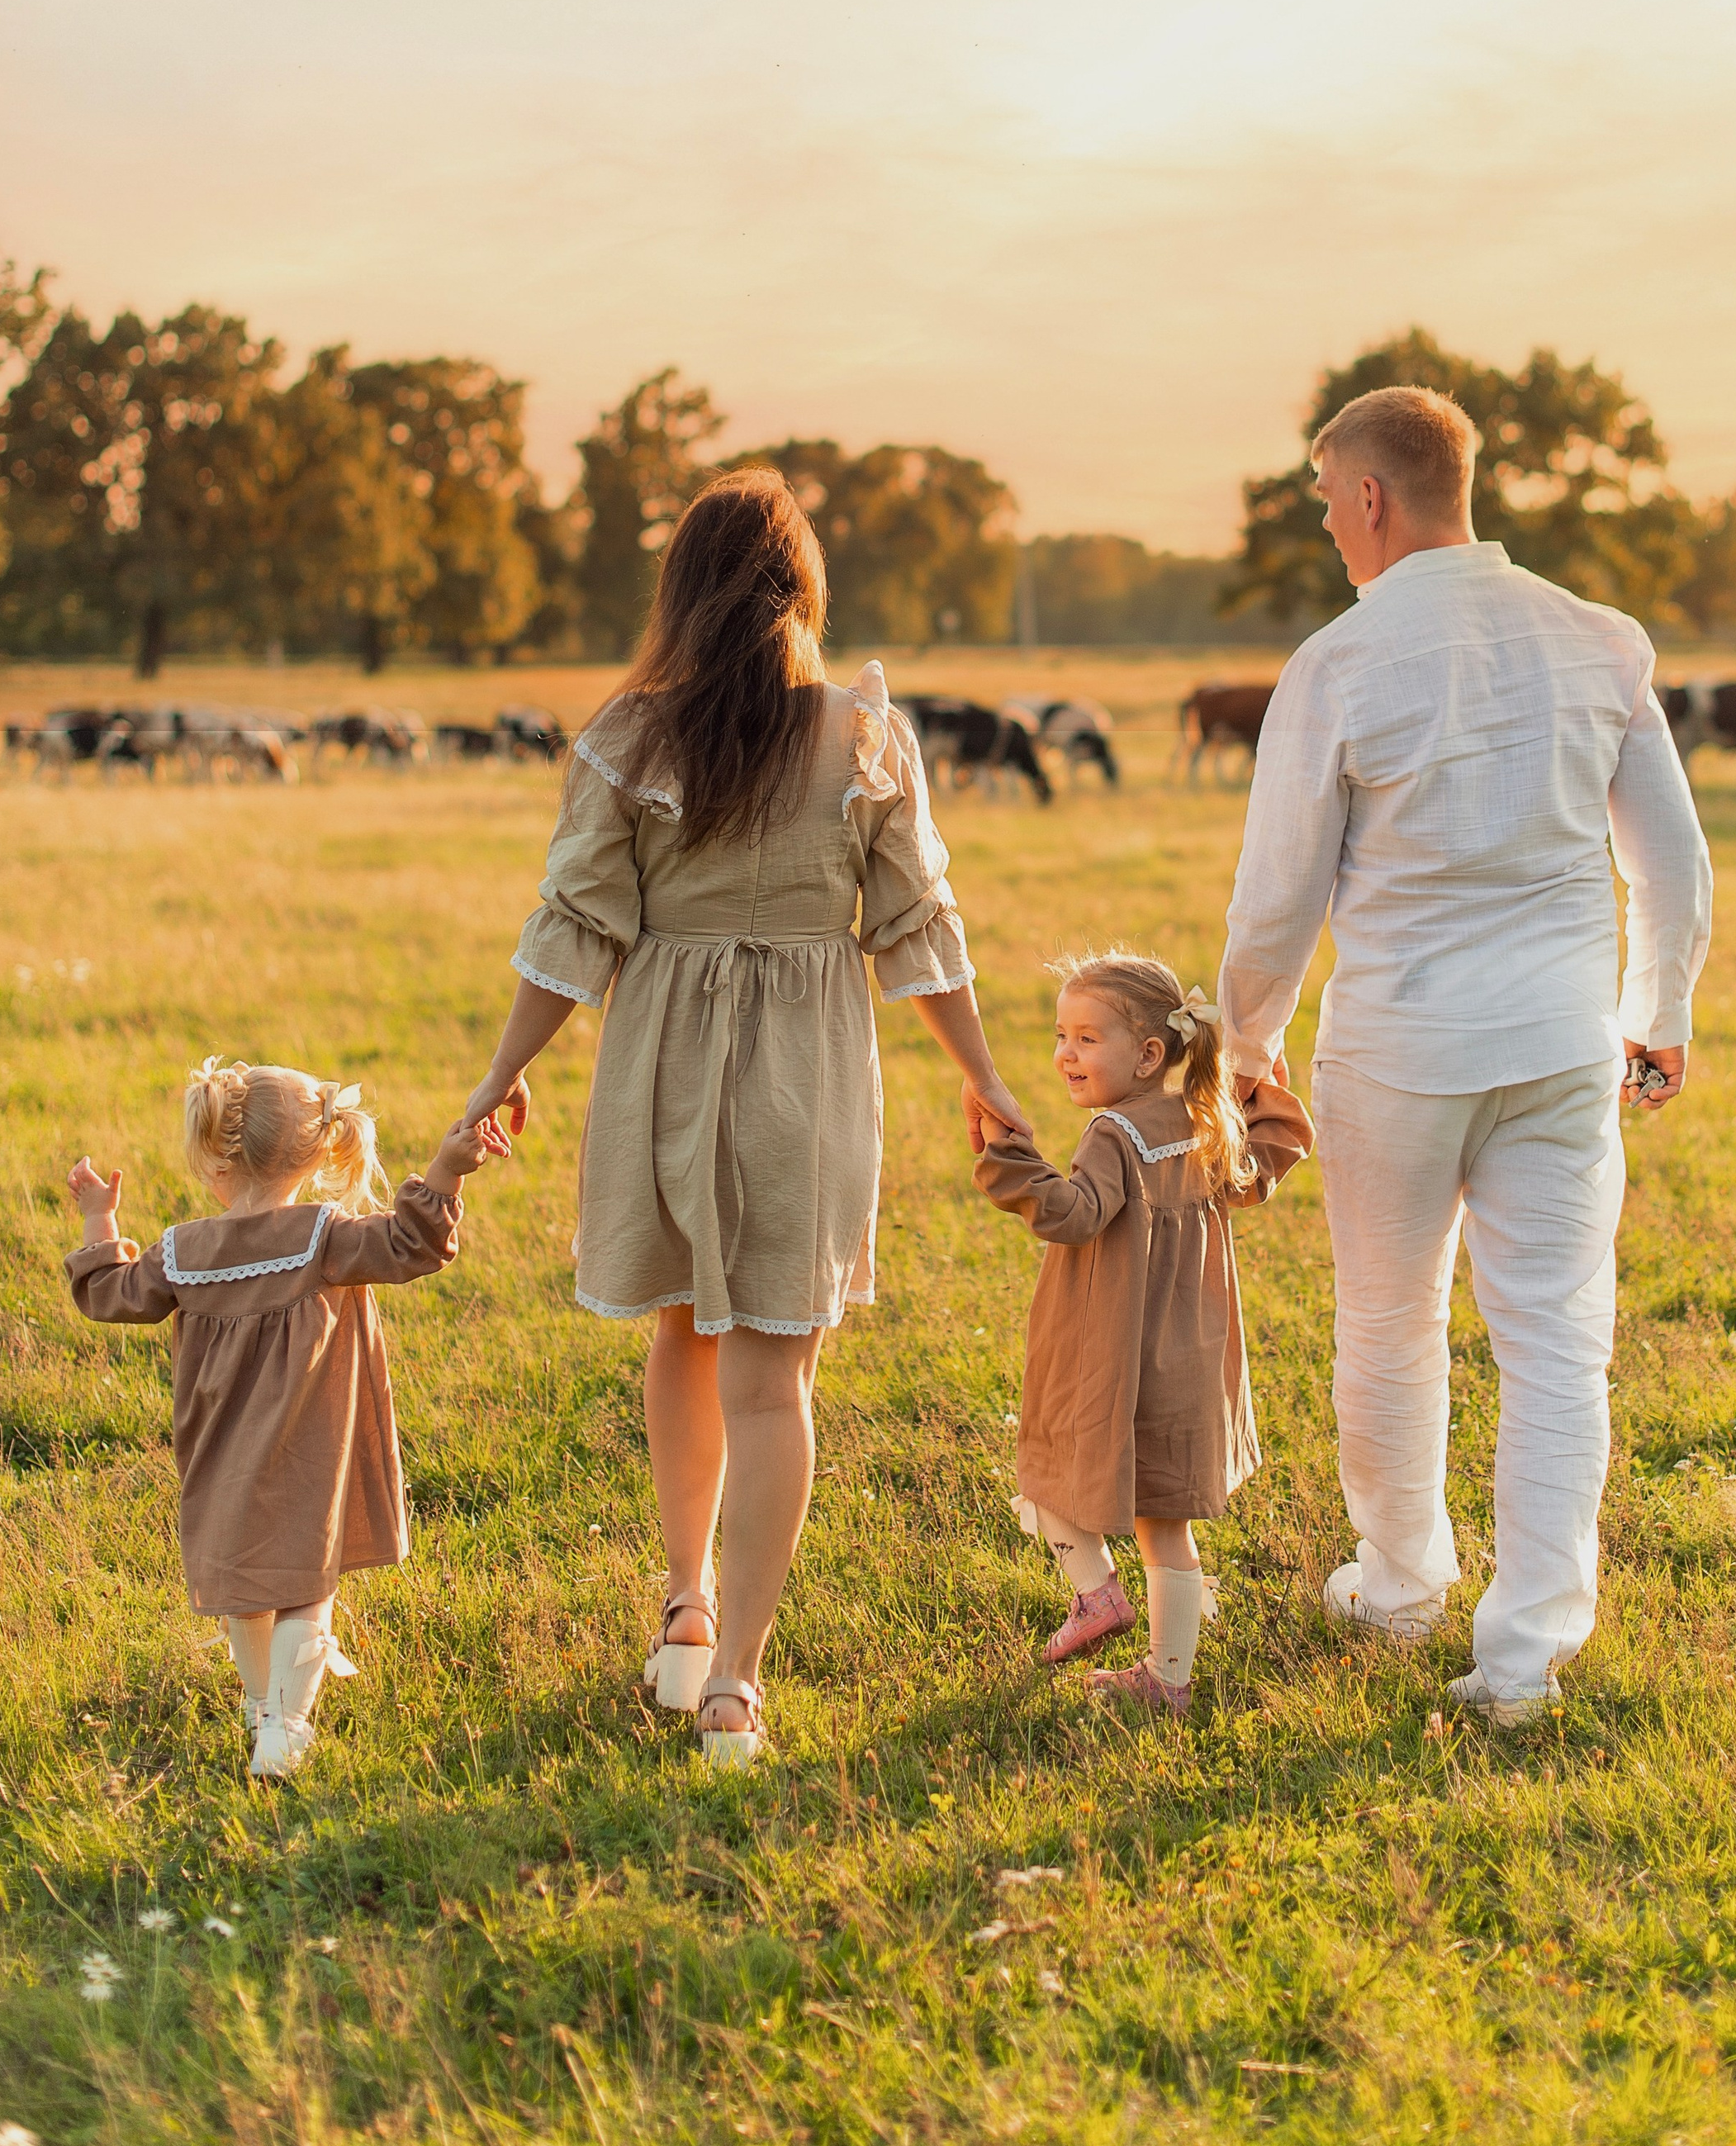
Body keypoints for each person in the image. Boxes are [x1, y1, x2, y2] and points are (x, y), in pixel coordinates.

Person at [462, 468, 1028, 1767]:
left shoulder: (628, 733)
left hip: (663, 1047)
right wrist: (984, 1074)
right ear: (804, 591)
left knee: (682, 1328)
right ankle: (734, 1682)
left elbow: (577, 928)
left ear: (682, 591)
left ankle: (684, 1600)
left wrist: (499, 1074)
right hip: (806, 1060)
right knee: (777, 1371)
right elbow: (914, 926)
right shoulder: (865, 733)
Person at [1217, 385, 1713, 1726]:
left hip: (1398, 1051)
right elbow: (1671, 861)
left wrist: (1244, 1047)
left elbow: (1277, 898)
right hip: (1562, 1044)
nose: (1328, 527)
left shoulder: (1337, 664)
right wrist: (1654, 1009)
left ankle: (1401, 1584)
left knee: (1388, 1322)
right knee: (1558, 1339)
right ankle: (1523, 1656)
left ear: (1372, 496)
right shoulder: (1599, 640)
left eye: (1329, 501)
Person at [65, 1060, 505, 1778]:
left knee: (244, 1585)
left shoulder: (185, 1250)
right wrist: (446, 1169)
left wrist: (98, 1217)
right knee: (307, 1583)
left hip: (221, 1454)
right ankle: (286, 1725)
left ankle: (261, 1709)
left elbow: (111, 1295)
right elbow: (413, 1244)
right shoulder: (323, 1236)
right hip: (312, 1447)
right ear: (318, 1152)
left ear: (217, 1160)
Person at [974, 952, 1312, 1717]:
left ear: (1149, 1054)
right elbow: (1262, 1165)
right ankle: (1170, 1679)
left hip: (1109, 1350)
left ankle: (1096, 1596)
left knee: (1049, 1465)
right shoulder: (1205, 1120)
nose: (1066, 1053)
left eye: (1088, 1038)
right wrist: (1266, 1094)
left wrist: (1008, 1160)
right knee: (1168, 1528)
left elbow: (1074, 1215)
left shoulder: (1113, 1134)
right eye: (1063, 1035)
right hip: (1188, 1357)